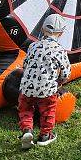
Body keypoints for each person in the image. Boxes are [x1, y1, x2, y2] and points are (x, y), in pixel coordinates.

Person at [18, 14, 71, 149]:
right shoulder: (60, 50)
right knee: (48, 111)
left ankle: (27, 131)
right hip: (47, 89)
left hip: (27, 88)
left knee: (26, 109)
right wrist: (60, 81)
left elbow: (26, 65)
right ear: (61, 33)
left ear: (42, 30)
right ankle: (45, 136)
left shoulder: (33, 46)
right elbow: (66, 73)